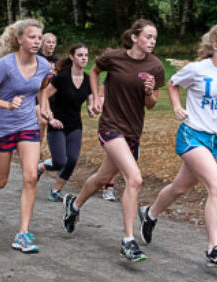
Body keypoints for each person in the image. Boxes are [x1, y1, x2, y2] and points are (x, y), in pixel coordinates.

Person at [137, 23, 217, 268]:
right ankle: (214, 248)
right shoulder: (199, 69)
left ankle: (149, 214)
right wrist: (177, 107)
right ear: (216, 45)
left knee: (180, 188)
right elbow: (173, 83)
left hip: (214, 141)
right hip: (192, 135)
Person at [62, 19, 165, 262]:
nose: (152, 42)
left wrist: (150, 91)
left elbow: (151, 105)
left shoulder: (155, 66)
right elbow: (95, 71)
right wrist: (97, 96)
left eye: (155, 38)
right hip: (110, 126)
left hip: (132, 131)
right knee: (135, 178)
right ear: (134, 37)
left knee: (103, 178)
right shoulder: (114, 57)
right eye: (148, 37)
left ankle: (73, 205)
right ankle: (128, 240)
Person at [0, 20, 55, 253]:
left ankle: (23, 234)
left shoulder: (44, 65)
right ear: (20, 40)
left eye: (40, 37)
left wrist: (44, 107)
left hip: (27, 126)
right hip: (1, 127)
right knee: (0, 181)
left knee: (31, 177)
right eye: (32, 37)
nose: (38, 41)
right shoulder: (5, 65)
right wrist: (6, 104)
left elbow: (43, 87)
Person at [40, 43, 92, 202]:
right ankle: (40, 167)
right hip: (57, 123)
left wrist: (92, 108)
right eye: (80, 55)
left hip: (75, 125)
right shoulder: (62, 78)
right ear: (72, 57)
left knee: (72, 159)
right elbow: (44, 95)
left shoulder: (88, 79)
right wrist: (50, 118)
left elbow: (90, 102)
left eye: (86, 55)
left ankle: (56, 191)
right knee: (59, 161)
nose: (84, 58)